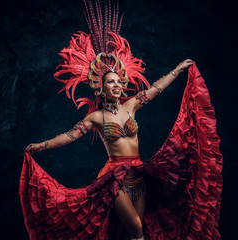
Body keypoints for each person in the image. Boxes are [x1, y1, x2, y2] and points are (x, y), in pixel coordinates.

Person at [20, 1, 223, 240]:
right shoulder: (96, 116)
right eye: (110, 82)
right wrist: (41, 145)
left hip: (139, 175)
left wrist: (178, 70)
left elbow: (156, 89)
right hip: (114, 178)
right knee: (136, 227)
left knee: (137, 233)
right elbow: (70, 136)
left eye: (118, 81)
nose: (116, 85)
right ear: (100, 88)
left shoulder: (131, 105)